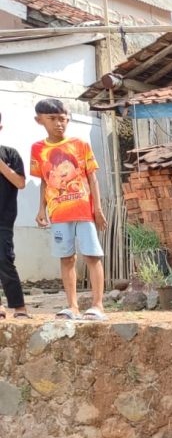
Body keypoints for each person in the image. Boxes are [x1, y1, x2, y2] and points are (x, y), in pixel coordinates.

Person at [30, 99, 106, 321]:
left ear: (68, 120)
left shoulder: (80, 144)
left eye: (62, 119)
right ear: (39, 120)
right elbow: (44, 181)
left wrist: (98, 209)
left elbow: (93, 179)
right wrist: (41, 209)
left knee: (92, 255)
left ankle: (98, 306)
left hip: (84, 211)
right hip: (58, 213)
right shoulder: (38, 149)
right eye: (52, 119)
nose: (58, 124)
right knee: (66, 258)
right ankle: (72, 307)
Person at [0, 113, 29, 319]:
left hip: (3, 220)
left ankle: (19, 308)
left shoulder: (10, 154)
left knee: (4, 260)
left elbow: (20, 183)